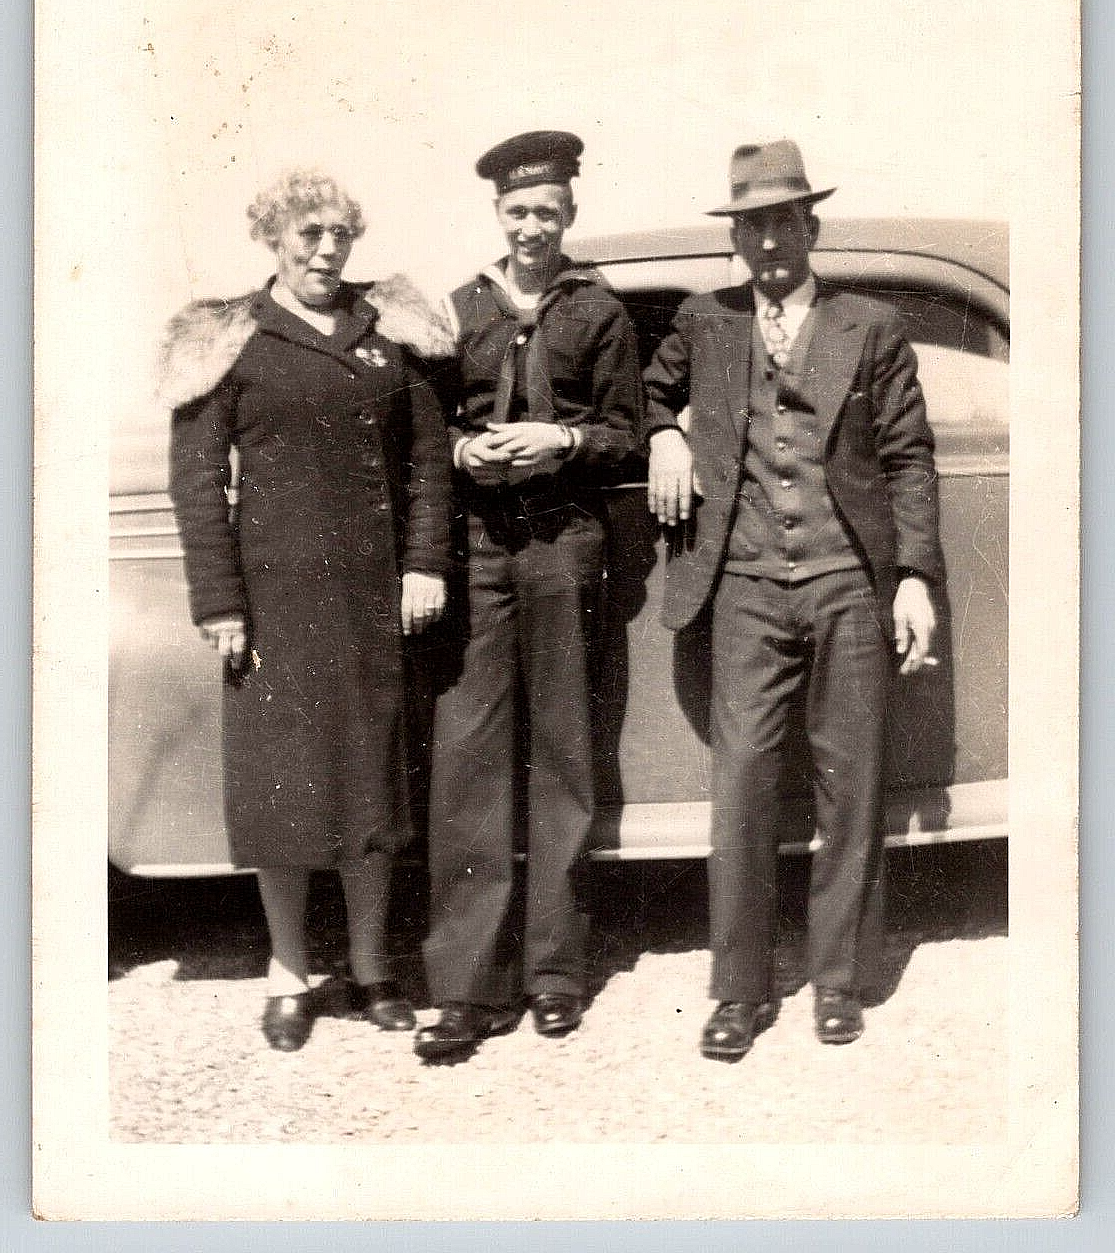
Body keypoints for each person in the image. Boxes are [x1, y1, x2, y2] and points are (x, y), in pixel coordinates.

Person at [643, 139, 944, 1060]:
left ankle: (838, 981)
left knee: (847, 786)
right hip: (741, 590)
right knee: (739, 788)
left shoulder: (870, 326)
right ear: (734, 237)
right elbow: (644, 397)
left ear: (811, 227)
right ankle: (737, 991)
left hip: (847, 583)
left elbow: (906, 458)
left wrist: (914, 578)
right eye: (751, 226)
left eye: (783, 222)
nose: (768, 242)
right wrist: (663, 434)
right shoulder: (706, 322)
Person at [161, 169, 454, 1051]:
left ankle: (370, 968)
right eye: (308, 237)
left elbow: (429, 465)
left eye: (339, 236)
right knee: (281, 792)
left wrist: (425, 563)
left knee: (371, 784)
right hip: (276, 602)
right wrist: (219, 601)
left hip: (374, 600)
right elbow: (197, 483)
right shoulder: (231, 340)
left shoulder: (388, 332)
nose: (328, 252)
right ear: (274, 241)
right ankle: (288, 973)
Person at [415, 130, 644, 1061]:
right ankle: (465, 990)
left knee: (560, 756)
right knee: (468, 761)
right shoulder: (458, 309)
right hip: (478, 550)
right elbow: (429, 431)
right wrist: (469, 452)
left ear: (571, 215)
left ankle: (555, 974)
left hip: (561, 547)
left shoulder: (600, 311)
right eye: (517, 213)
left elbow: (627, 432)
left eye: (548, 212)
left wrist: (566, 443)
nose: (532, 228)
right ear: (496, 217)